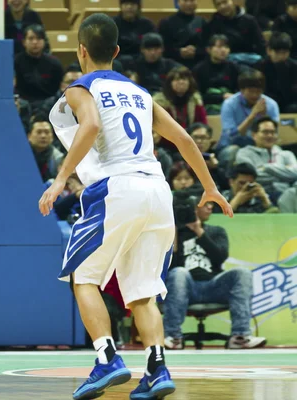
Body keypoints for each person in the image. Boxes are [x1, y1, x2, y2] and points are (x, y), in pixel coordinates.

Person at [39, 13, 233, 400]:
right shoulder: (142, 94)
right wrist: (209, 187)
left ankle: (107, 357)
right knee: (142, 291)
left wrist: (61, 178)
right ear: (116, 51)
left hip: (118, 189)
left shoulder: (81, 87)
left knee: (83, 277)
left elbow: (90, 125)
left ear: (80, 51)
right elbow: (183, 139)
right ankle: (157, 368)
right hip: (157, 192)